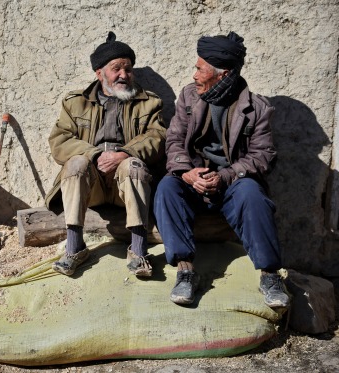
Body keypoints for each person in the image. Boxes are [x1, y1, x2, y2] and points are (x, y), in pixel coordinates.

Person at [153, 31, 290, 308]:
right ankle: (185, 271)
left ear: (223, 74)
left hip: (232, 184)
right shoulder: (189, 97)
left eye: (199, 69)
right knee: (167, 187)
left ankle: (270, 276)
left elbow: (262, 156)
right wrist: (186, 173)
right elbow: (175, 140)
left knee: (253, 193)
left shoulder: (257, 107)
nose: (194, 75)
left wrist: (225, 176)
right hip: (193, 181)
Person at [45, 31, 167, 278]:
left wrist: (124, 153)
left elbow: (158, 137)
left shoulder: (149, 103)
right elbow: (60, 142)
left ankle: (138, 250)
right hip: (94, 184)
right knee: (76, 163)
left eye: (128, 68)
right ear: (99, 73)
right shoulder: (75, 102)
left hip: (127, 185)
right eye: (116, 68)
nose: (124, 75)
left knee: (133, 165)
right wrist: (93, 154)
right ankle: (74, 248)